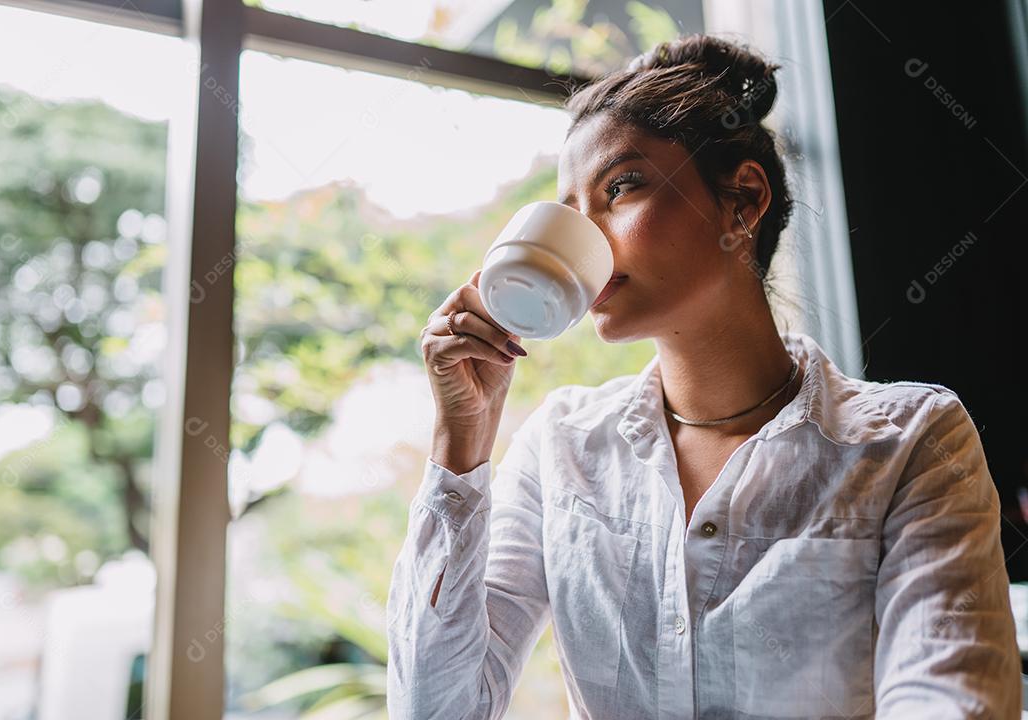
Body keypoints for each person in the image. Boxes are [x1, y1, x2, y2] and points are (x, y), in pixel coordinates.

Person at [385, 34, 1022, 719]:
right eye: (570, 212)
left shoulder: (911, 442)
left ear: (743, 200)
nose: (587, 237)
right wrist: (462, 438)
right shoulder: (562, 446)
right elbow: (436, 711)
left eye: (620, 187)